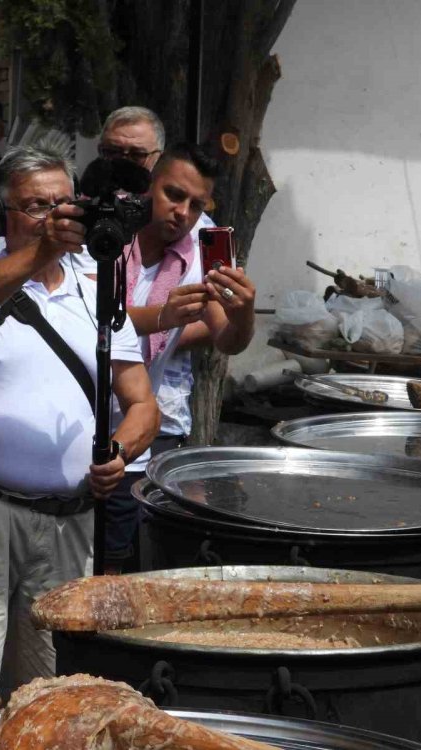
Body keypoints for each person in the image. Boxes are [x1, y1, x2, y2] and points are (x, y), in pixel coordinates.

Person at [0, 145, 160, 719]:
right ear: (3, 214)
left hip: (68, 520)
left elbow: (142, 402)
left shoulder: (97, 284)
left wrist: (119, 451)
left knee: (54, 695)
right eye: (36, 206)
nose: (55, 215)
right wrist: (42, 249)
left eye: (63, 202)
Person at [102, 143, 257, 570]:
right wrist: (161, 317)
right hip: (75, 426)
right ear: (149, 184)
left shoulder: (195, 257)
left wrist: (243, 312)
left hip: (136, 436)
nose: (182, 212)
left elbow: (228, 340)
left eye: (196, 204)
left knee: (123, 564)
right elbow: (85, 317)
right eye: (173, 194)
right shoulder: (107, 233)